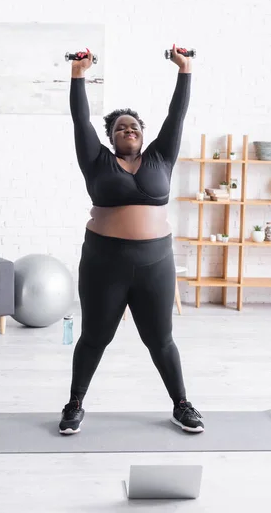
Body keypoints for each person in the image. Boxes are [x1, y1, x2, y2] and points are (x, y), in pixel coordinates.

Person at [59, 45, 204, 435]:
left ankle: (181, 404)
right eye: (121, 126)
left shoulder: (161, 157)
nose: (129, 130)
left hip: (155, 262)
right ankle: (74, 404)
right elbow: (79, 120)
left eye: (135, 126)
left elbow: (178, 114)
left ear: (143, 135)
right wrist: (78, 74)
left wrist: (184, 69)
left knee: (161, 340)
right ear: (110, 136)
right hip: (104, 262)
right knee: (94, 337)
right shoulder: (96, 160)